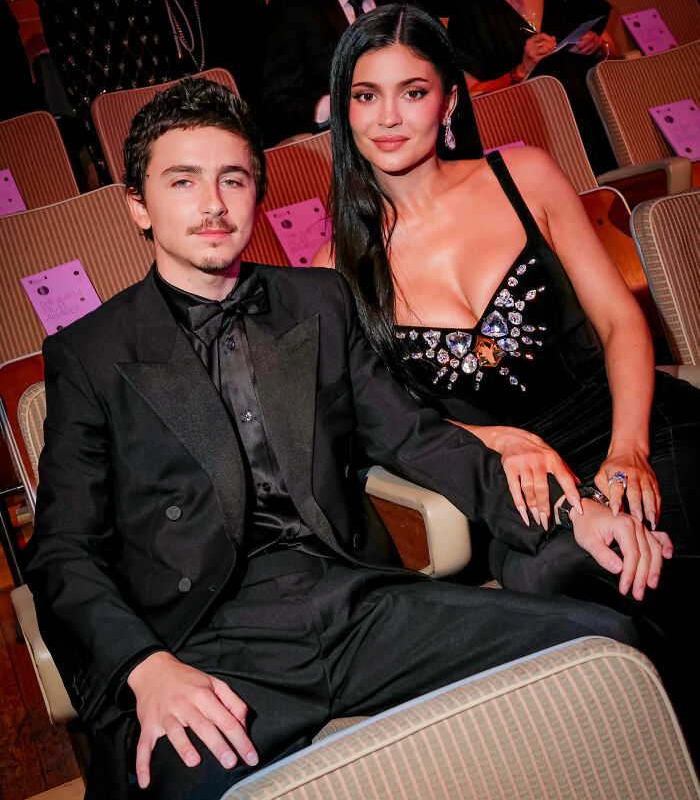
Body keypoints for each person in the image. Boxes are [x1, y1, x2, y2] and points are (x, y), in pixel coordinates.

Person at [24, 77, 649, 800]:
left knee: (607, 648)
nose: (212, 204)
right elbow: (63, 551)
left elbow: (416, 437)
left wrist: (576, 514)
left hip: (355, 601)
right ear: (138, 204)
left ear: (258, 191)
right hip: (208, 643)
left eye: (233, 178)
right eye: (182, 181)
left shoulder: (315, 300)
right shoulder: (90, 352)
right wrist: (145, 668)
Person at [314, 3, 700, 747]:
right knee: (567, 577)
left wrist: (627, 451)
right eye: (366, 95)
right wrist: (490, 435)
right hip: (519, 488)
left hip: (629, 422)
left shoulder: (522, 172)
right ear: (344, 111)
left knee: (660, 552)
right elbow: (383, 423)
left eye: (413, 91)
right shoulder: (340, 271)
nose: (388, 117)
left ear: (451, 101)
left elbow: (623, 324)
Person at [446, 0, 617, 174]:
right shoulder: (471, 10)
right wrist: (521, 71)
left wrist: (598, 46)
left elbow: (610, 50)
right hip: (529, 131)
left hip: (588, 123)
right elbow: (471, 93)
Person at [261, 0, 415, 145]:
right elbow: (277, 101)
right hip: (336, 143)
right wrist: (335, 107)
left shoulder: (403, 1)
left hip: (411, 127)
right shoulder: (292, 7)